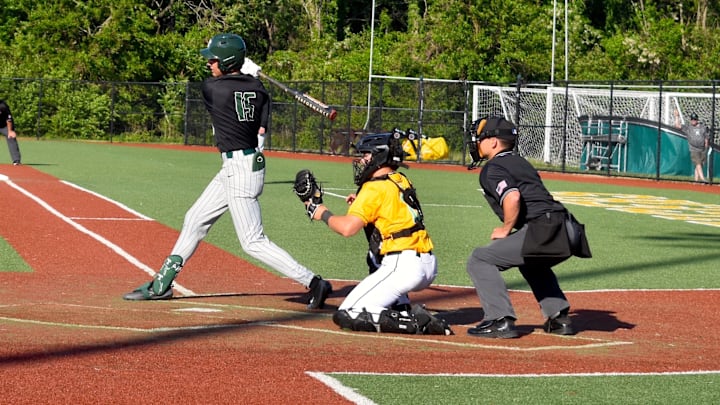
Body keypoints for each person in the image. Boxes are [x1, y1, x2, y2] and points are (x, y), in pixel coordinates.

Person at [123, 33, 332, 309]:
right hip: (238, 165)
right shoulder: (258, 89)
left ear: (228, 62)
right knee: (195, 219)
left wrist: (245, 71)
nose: (209, 63)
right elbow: (257, 102)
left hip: (241, 170)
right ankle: (163, 283)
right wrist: (250, 74)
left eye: (214, 59)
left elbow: (227, 86)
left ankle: (314, 282)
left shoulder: (213, 89)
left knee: (252, 242)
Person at [301, 131, 452, 335]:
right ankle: (401, 307)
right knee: (373, 255)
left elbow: (348, 228)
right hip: (427, 262)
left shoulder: (373, 188)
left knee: (348, 314)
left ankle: (415, 321)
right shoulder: (399, 178)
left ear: (379, 156)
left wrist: (322, 213)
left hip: (404, 265)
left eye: (366, 155)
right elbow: (391, 210)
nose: (362, 160)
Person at [464, 116, 591, 339]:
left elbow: (512, 197)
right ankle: (559, 319)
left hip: (546, 229)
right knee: (531, 261)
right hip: (569, 228)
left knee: (480, 259)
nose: (476, 142)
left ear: (493, 142)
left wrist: (505, 228)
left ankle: (499, 320)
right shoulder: (519, 161)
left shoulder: (493, 167)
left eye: (480, 138)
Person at [674, 111, 710, 182]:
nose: (693, 121)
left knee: (700, 165)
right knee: (698, 163)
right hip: (693, 149)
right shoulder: (688, 127)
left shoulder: (703, 127)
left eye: (694, 119)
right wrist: (676, 117)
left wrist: (706, 147)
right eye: (692, 119)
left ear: (697, 120)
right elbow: (677, 126)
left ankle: (696, 181)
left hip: (702, 148)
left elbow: (706, 137)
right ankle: (702, 179)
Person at [0, 99, 22, 165]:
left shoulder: (3, 106)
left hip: (4, 125)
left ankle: (16, 160)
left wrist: (10, 131)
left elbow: (8, 119)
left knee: (11, 137)